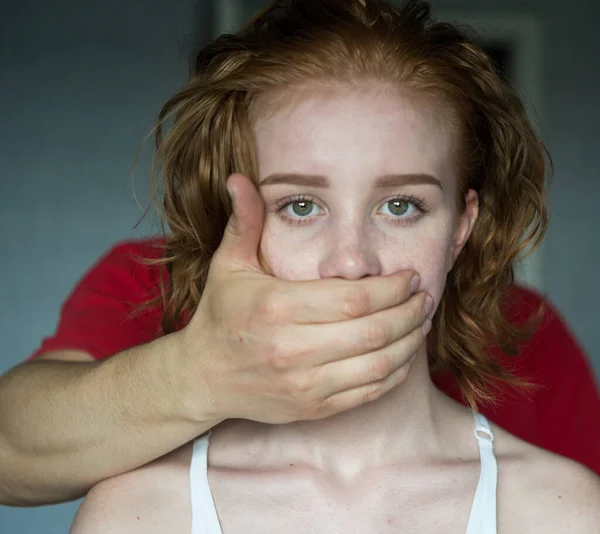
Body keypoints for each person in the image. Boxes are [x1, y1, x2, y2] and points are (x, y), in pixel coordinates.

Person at [0, 0, 597, 511]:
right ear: (232, 209)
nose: (351, 263)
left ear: (462, 225)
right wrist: (197, 373)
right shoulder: (147, 285)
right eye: (301, 206)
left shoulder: (528, 337)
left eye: (401, 206)